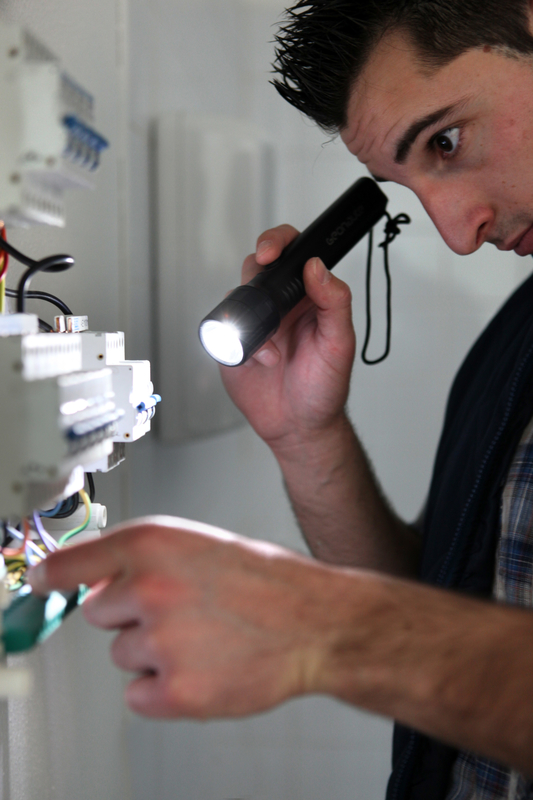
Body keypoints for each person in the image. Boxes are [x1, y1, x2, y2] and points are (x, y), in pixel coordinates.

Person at [26, 1, 533, 797]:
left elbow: (401, 638)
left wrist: (323, 631)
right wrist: (306, 435)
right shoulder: (517, 337)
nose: (457, 233)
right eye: (407, 185)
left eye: (446, 139)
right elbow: (435, 612)